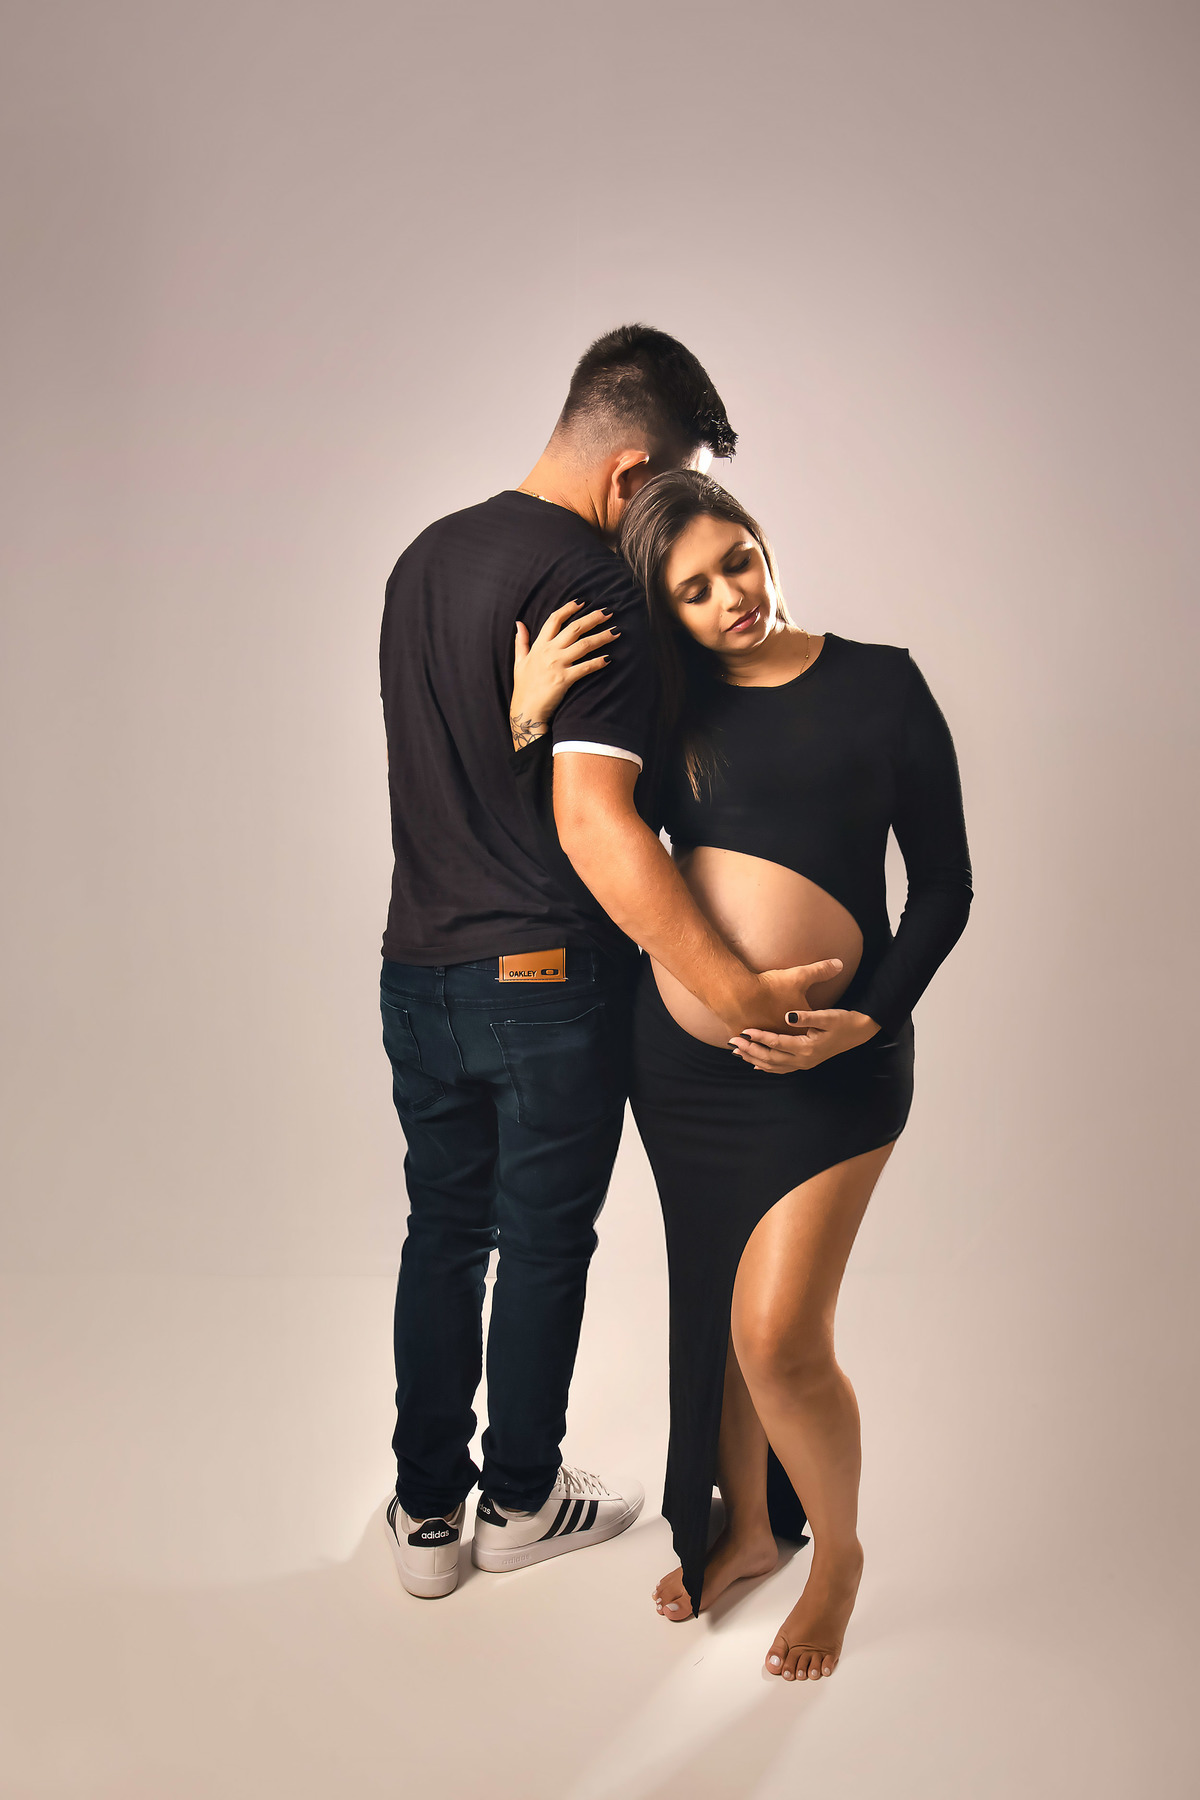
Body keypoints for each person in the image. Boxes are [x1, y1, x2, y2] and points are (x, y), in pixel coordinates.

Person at [378, 329, 832, 1599]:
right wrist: (735, 989)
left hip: (416, 970)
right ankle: (521, 1500)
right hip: (542, 982)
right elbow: (594, 824)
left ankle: (427, 1516)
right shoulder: (599, 587)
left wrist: (521, 716)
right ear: (632, 471)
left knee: (442, 1233)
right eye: (672, 486)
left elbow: (454, 768)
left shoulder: (424, 560)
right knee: (540, 1244)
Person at [510, 469, 973, 1677]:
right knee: (718, 1309)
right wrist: (528, 716)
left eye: (740, 563)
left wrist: (867, 1020)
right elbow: (575, 831)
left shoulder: (882, 683)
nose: (732, 598)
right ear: (665, 609)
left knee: (779, 1337)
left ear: (763, 545)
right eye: (696, 590)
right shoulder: (664, 706)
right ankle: (751, 1531)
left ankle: (839, 1557)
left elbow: (946, 885)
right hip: (683, 1072)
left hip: (838, 1068)